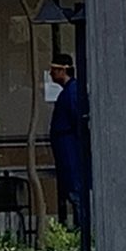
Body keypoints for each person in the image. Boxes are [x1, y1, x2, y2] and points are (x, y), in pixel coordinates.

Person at [49, 54, 84, 227]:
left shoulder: (72, 93)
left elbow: (77, 121)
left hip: (70, 151)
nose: (50, 73)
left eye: (54, 70)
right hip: (66, 150)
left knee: (76, 192)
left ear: (63, 71)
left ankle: (83, 229)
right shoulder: (68, 92)